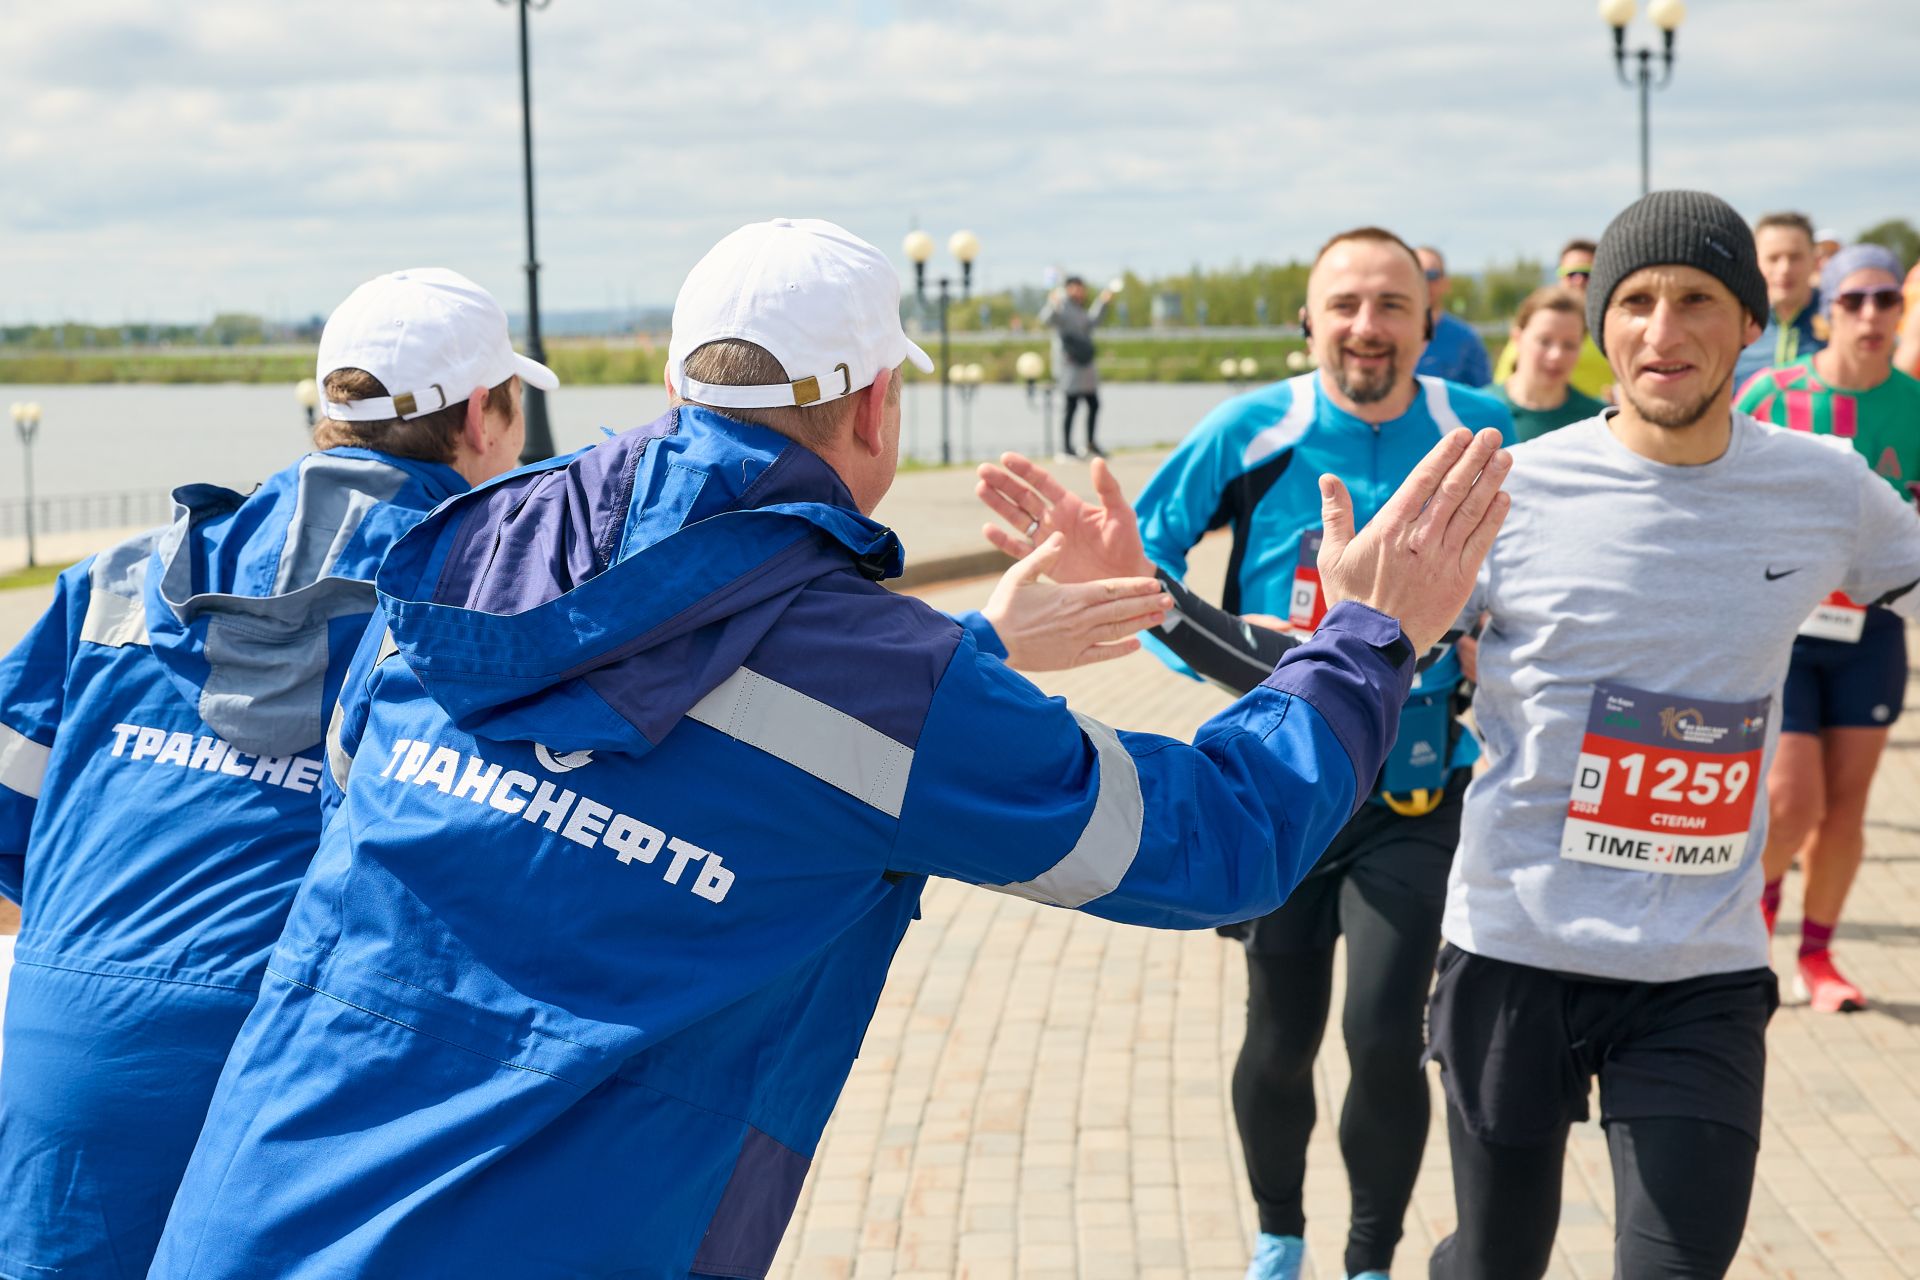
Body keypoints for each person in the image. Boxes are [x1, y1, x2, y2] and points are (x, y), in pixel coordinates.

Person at [146, 218, 1511, 1279]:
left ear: (675, 389)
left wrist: (974, 654)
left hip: (241, 1223)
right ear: (875, 414)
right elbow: (1222, 839)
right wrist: (1372, 636)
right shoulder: (887, 692)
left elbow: (690, 715)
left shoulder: (449, 562)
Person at [991, 191, 1920, 1280]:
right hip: (1516, 941)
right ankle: (1292, 1232)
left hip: (1696, 966)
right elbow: (1376, 645)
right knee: (1473, 1242)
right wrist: (1161, 600)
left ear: (1753, 321)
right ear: (1601, 320)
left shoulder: (1825, 490)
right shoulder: (1512, 486)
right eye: (1635, 302)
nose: (1663, 333)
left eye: (1697, 301)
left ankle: (1367, 1251)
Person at [0, 268, 554, 1278]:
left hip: (65, 1080)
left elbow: (7, 823)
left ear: (325, 409)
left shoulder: (115, 581)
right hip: (294, 1088)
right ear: (482, 415)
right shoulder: (488, 606)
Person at [994, 225, 1513, 1280]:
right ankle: (1280, 1239)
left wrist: (1480, 631)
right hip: (1285, 780)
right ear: (1311, 319)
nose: (1368, 326)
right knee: (1279, 1031)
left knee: (1382, 1034)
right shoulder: (1251, 425)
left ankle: (1370, 1258)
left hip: (1412, 800)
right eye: (1346, 305)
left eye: (1392, 306)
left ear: (1428, 320)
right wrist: (1242, 665)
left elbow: (1538, 576)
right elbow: (1147, 562)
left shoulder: (1484, 430)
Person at [1735, 242, 1920, 1012]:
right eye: (1854, 301)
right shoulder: (1771, 395)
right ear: (1825, 311)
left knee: (1846, 810)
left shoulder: (1913, 404)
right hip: (1786, 631)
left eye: (1887, 300)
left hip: (1874, 636)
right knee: (1794, 800)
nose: (1871, 314)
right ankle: (1753, 924)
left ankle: (1818, 959)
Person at [1492, 238, 1615, 401]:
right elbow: (1505, 385)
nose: (1579, 281)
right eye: (1571, 274)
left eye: (1586, 274)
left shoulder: (1615, 328)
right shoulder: (1537, 324)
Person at [1491, 286, 1609, 441]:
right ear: (1517, 339)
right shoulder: (1479, 410)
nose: (1556, 355)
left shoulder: (1598, 422)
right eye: (1544, 341)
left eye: (1569, 345)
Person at [1734, 210, 1828, 389]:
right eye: (1773, 258)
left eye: (1795, 257)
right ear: (1755, 262)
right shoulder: (1735, 325)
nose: (1784, 269)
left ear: (1815, 261)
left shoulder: (1840, 320)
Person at [1038, 274, 1114, 457]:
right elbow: (1046, 319)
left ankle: (1090, 444)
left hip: (1085, 364)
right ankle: (1066, 448)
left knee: (1093, 403)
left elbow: (1091, 323)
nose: (1080, 291)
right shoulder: (1062, 306)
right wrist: (1053, 304)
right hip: (1069, 365)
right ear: (1068, 288)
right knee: (1071, 406)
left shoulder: (1079, 308)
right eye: (1076, 287)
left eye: (1081, 287)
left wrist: (1102, 303)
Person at [1413, 246, 1493, 386]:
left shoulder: (1466, 339)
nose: (1424, 283)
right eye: (1416, 274)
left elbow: (1482, 396)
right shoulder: (1387, 334)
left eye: (1431, 275)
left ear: (1446, 283)